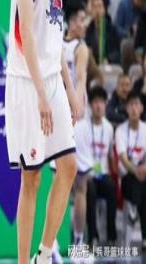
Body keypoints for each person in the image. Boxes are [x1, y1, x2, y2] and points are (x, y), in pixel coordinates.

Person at [4, 0, 80, 264]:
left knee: (68, 166)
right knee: (31, 177)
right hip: (27, 82)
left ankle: (44, 254)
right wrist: (41, 94)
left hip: (51, 77)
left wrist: (68, 86)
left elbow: (54, 27)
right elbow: (25, 36)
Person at [83, 86, 117, 246]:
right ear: (90, 105)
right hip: (87, 175)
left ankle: (111, 236)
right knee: (90, 190)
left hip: (103, 174)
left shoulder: (109, 128)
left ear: (105, 104)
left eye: (102, 102)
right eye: (95, 102)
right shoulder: (83, 127)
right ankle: (93, 236)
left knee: (111, 187)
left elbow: (110, 155)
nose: (99, 106)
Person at [115, 91, 146, 250]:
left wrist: (144, 169)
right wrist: (136, 171)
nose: (134, 108)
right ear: (126, 108)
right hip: (127, 175)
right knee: (134, 183)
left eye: (137, 104)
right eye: (131, 104)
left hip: (144, 173)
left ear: (142, 108)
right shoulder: (120, 130)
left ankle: (143, 234)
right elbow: (122, 158)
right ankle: (133, 210)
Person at [62, 7, 89, 117]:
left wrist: (76, 105)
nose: (85, 25)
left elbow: (81, 79)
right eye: (82, 20)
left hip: (75, 97)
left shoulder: (81, 47)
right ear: (72, 23)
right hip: (60, 96)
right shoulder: (58, 42)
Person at [85, 0, 120, 64]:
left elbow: (117, 53)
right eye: (94, 7)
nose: (97, 10)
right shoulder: (88, 29)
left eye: (100, 6)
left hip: (108, 64)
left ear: (104, 9)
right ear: (91, 10)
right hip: (92, 65)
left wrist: (108, 59)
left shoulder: (111, 28)